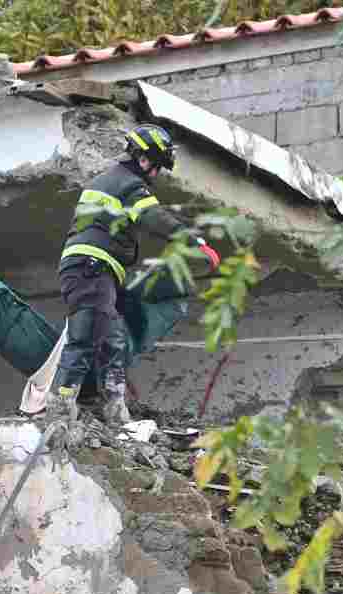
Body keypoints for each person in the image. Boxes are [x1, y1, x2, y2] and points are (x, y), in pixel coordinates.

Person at [47, 124, 221, 427]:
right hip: (91, 267)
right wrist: (196, 243)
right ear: (143, 159)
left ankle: (114, 410)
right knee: (86, 334)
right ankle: (59, 409)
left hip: (95, 270)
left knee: (112, 339)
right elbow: (156, 217)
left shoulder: (111, 180)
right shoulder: (127, 183)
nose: (156, 175)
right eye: (157, 167)